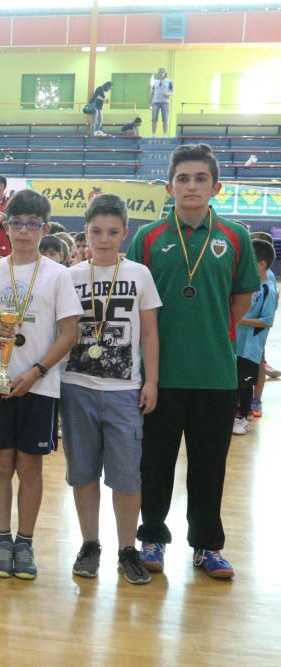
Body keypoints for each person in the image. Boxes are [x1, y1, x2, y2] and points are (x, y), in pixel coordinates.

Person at [126, 143, 259, 579]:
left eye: (201, 178)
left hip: (216, 375)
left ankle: (207, 546)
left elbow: (240, 300)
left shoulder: (235, 236)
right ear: (169, 186)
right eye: (183, 178)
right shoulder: (147, 238)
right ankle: (152, 538)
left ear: (216, 186)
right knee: (155, 464)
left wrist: (211, 331)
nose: (192, 186)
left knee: (209, 466)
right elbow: (136, 304)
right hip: (158, 377)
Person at [0, 189, 81, 579]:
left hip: (39, 383)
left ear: (44, 228)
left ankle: (26, 543)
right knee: (1, 463)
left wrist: (36, 370)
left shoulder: (59, 276)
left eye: (32, 224)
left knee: (30, 466)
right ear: (7, 225)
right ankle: (3, 541)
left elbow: (69, 332)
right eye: (17, 223)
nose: (23, 231)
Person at [60, 194, 161, 584]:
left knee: (126, 477)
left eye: (112, 232)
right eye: (96, 231)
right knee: (82, 473)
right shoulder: (69, 277)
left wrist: (150, 380)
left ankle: (127, 548)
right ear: (85, 232)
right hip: (76, 385)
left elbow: (150, 332)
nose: (104, 239)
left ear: (125, 233)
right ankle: (90, 544)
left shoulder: (139, 274)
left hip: (124, 390)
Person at [232, 239, 276, 435]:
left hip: (251, 347)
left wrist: (239, 320)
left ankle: (243, 416)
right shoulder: (247, 283)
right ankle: (234, 413)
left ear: (261, 264)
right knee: (234, 380)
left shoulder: (268, 289)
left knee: (245, 382)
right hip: (236, 343)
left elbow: (266, 321)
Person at [149, 67, 174, 137]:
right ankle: (153, 134)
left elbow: (171, 91)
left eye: (161, 72)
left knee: (165, 119)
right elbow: (152, 92)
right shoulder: (155, 82)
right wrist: (150, 103)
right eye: (159, 72)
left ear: (164, 73)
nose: (160, 73)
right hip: (155, 102)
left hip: (165, 102)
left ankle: (164, 135)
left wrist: (168, 94)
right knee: (154, 119)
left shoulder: (169, 81)